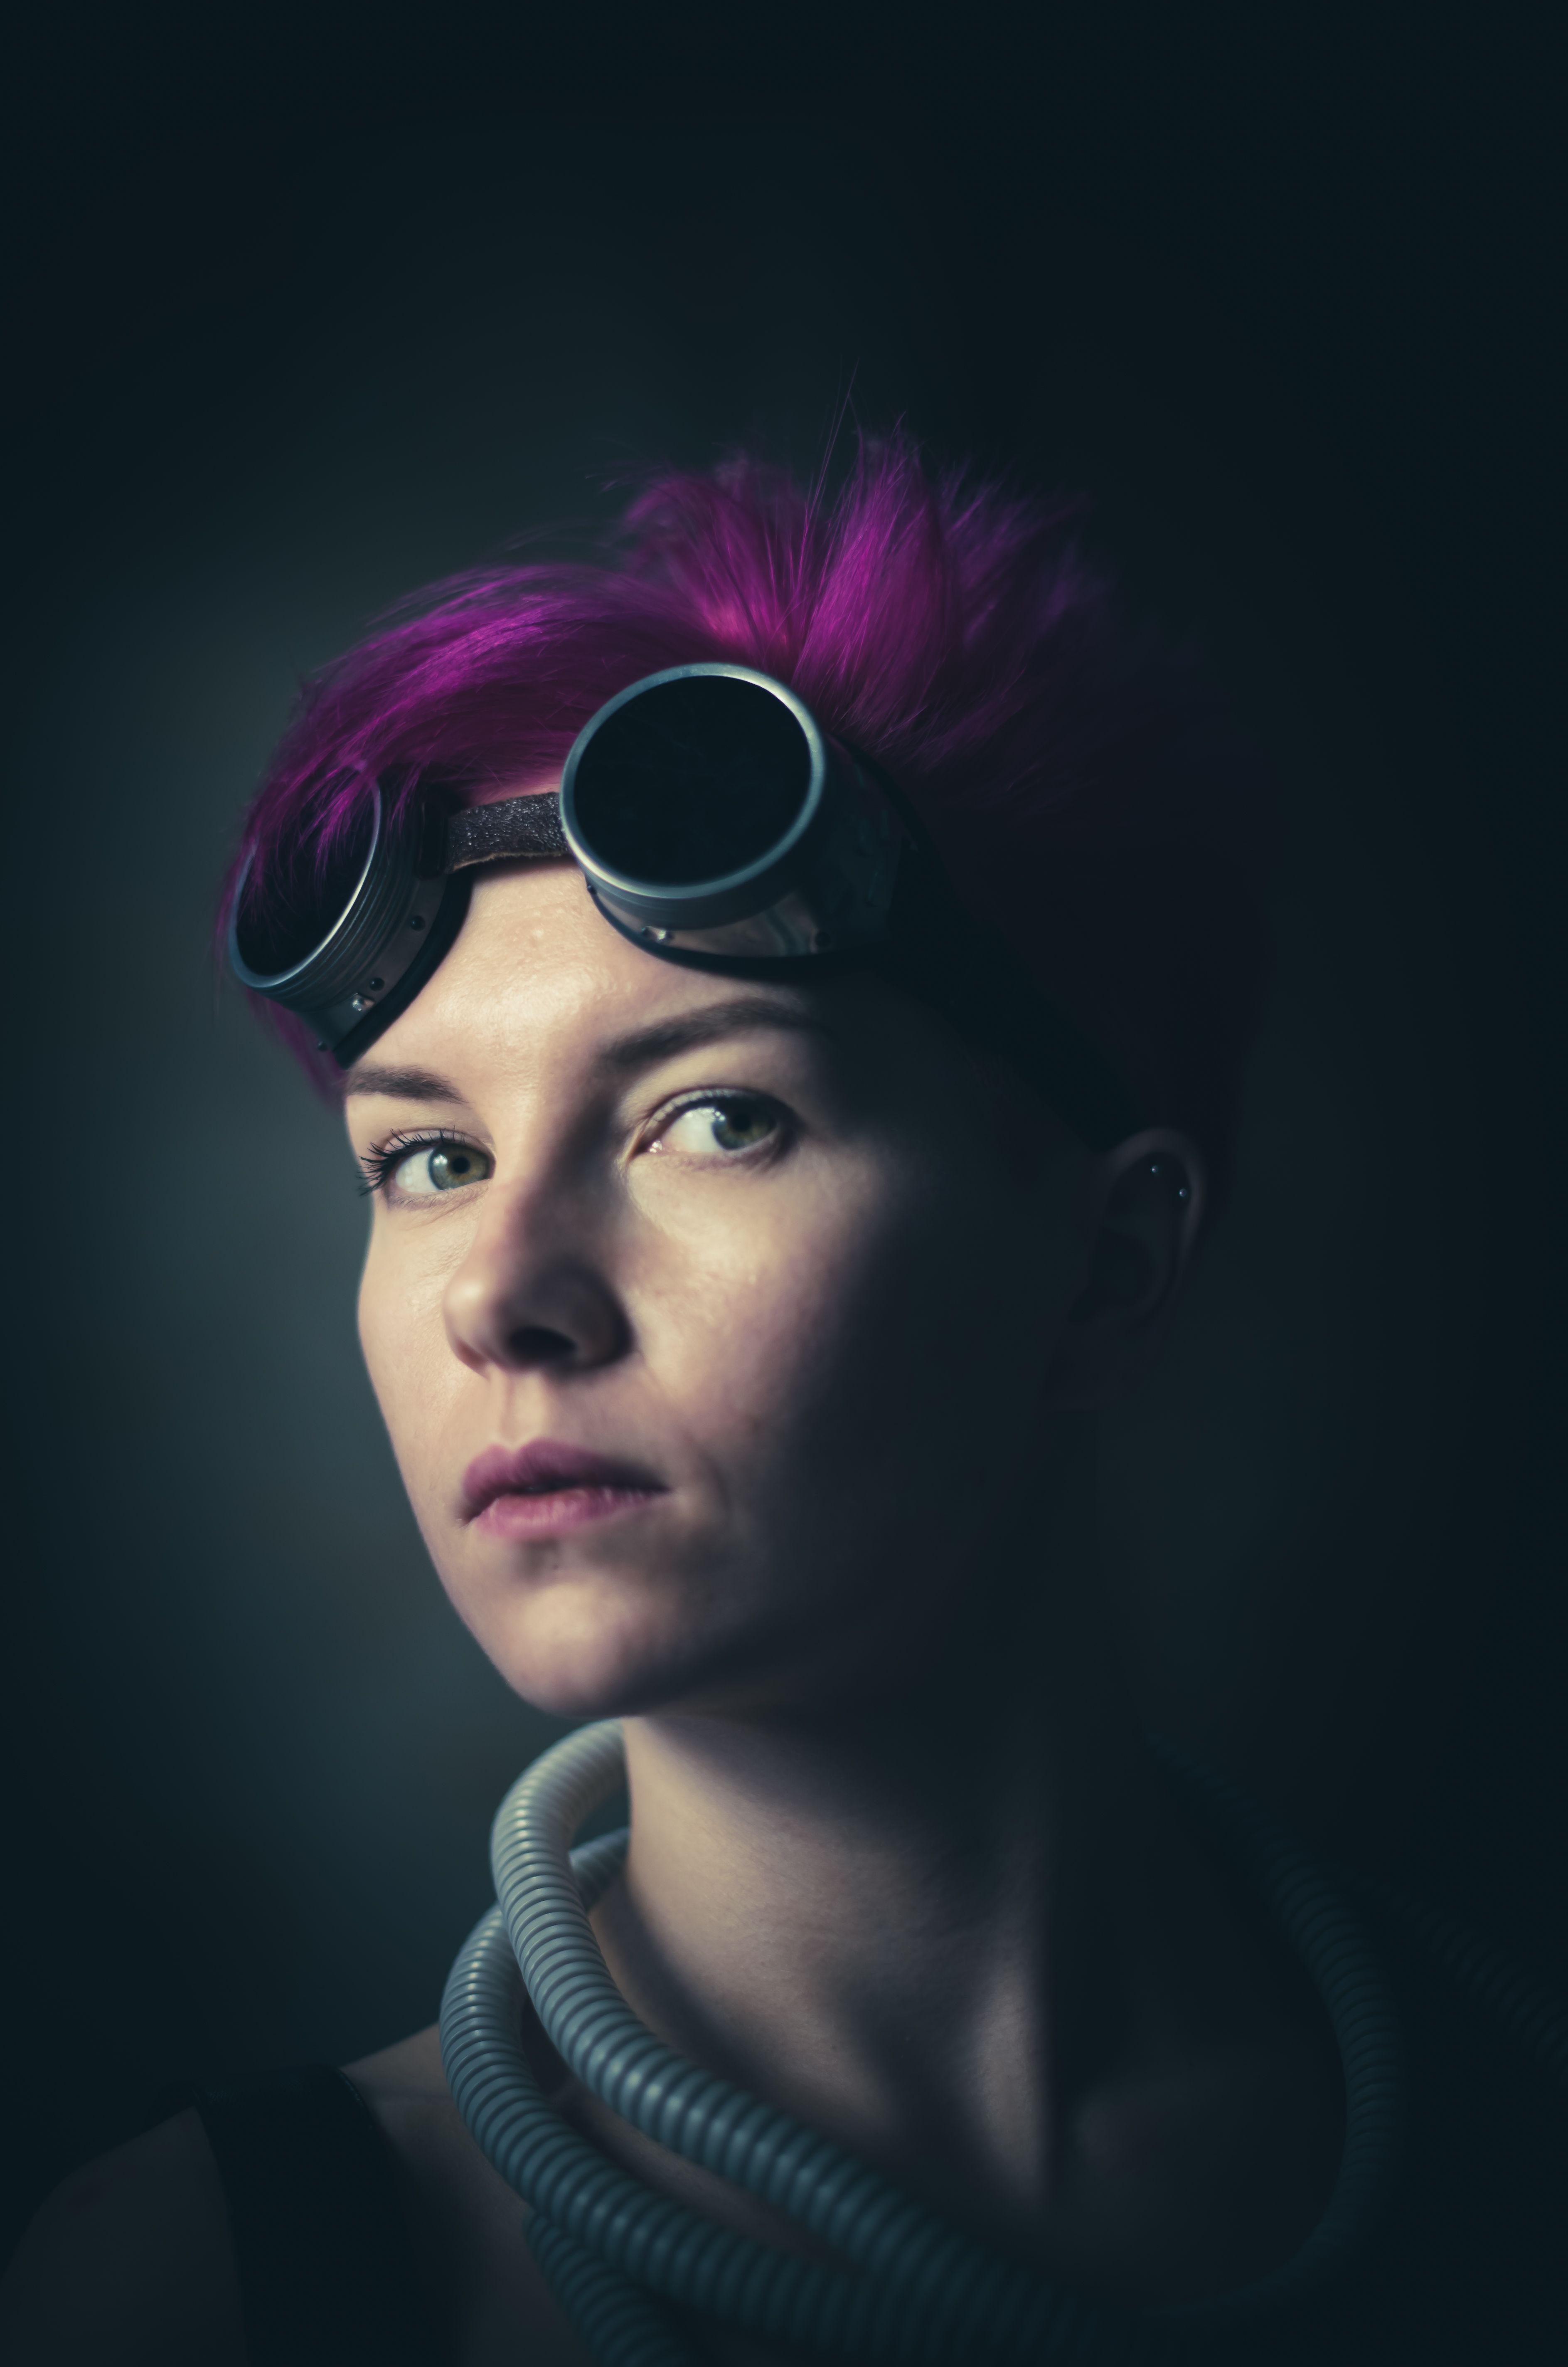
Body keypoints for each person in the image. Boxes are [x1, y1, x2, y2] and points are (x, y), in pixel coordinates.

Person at [3, 437, 1563, 2367]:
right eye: (427, 1159)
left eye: (714, 1117)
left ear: (1105, 1267)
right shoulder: (207, 2294)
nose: (497, 1291)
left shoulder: (1504, 2174)